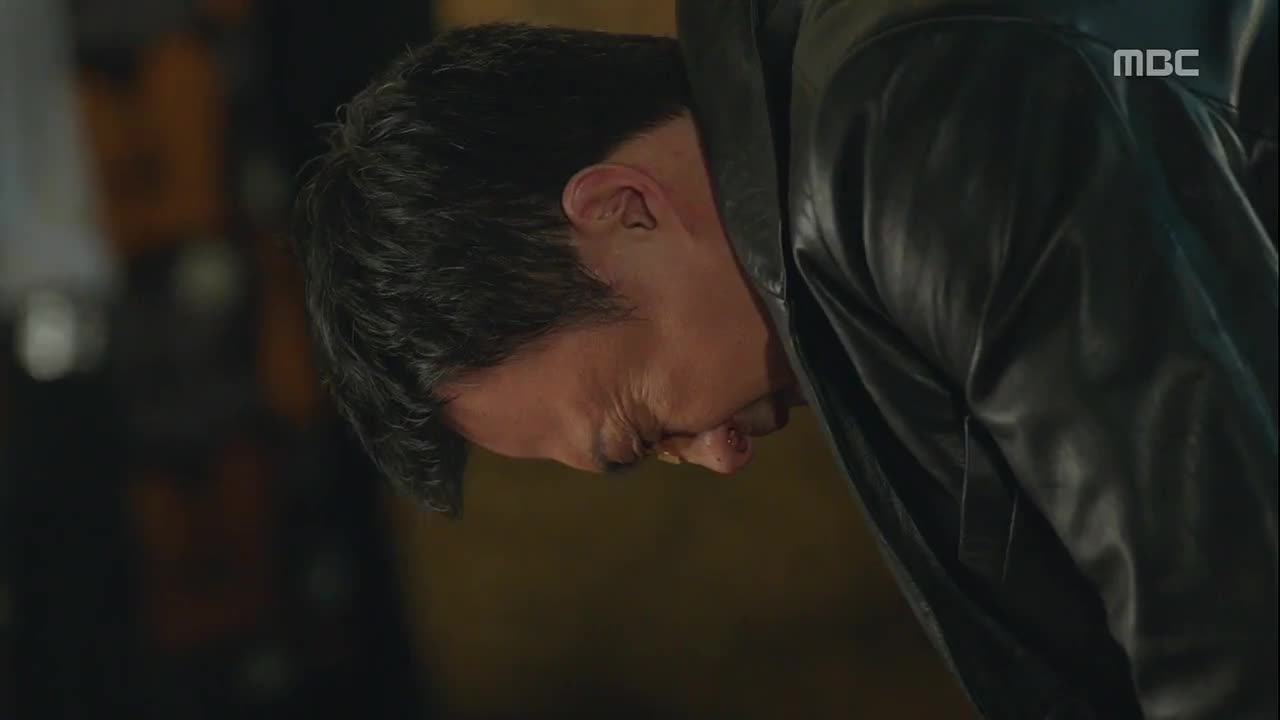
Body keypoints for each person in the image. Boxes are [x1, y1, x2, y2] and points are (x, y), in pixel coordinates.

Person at [291, 1, 1278, 717]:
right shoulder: (839, 106)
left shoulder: (914, 134)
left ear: (623, 210)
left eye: (644, 426)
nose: (719, 456)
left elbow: (1229, 611)